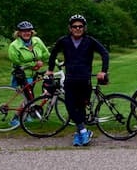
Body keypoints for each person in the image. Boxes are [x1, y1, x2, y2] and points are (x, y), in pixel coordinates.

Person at [46, 14, 109, 146]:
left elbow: (105, 53)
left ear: (84, 28)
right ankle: (83, 131)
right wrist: (50, 69)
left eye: (80, 26)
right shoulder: (64, 41)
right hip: (70, 79)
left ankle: (80, 133)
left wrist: (103, 71)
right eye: (75, 26)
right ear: (70, 28)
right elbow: (53, 54)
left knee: (80, 107)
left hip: (84, 79)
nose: (77, 29)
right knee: (70, 107)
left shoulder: (90, 41)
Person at [7, 20, 50, 126]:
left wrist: (56, 62)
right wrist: (33, 64)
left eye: (29, 31)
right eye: (23, 31)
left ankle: (25, 116)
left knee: (31, 97)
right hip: (22, 75)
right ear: (19, 33)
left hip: (34, 74)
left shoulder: (37, 41)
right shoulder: (14, 46)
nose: (26, 33)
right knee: (28, 98)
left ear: (32, 32)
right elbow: (17, 62)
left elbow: (46, 54)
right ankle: (15, 118)